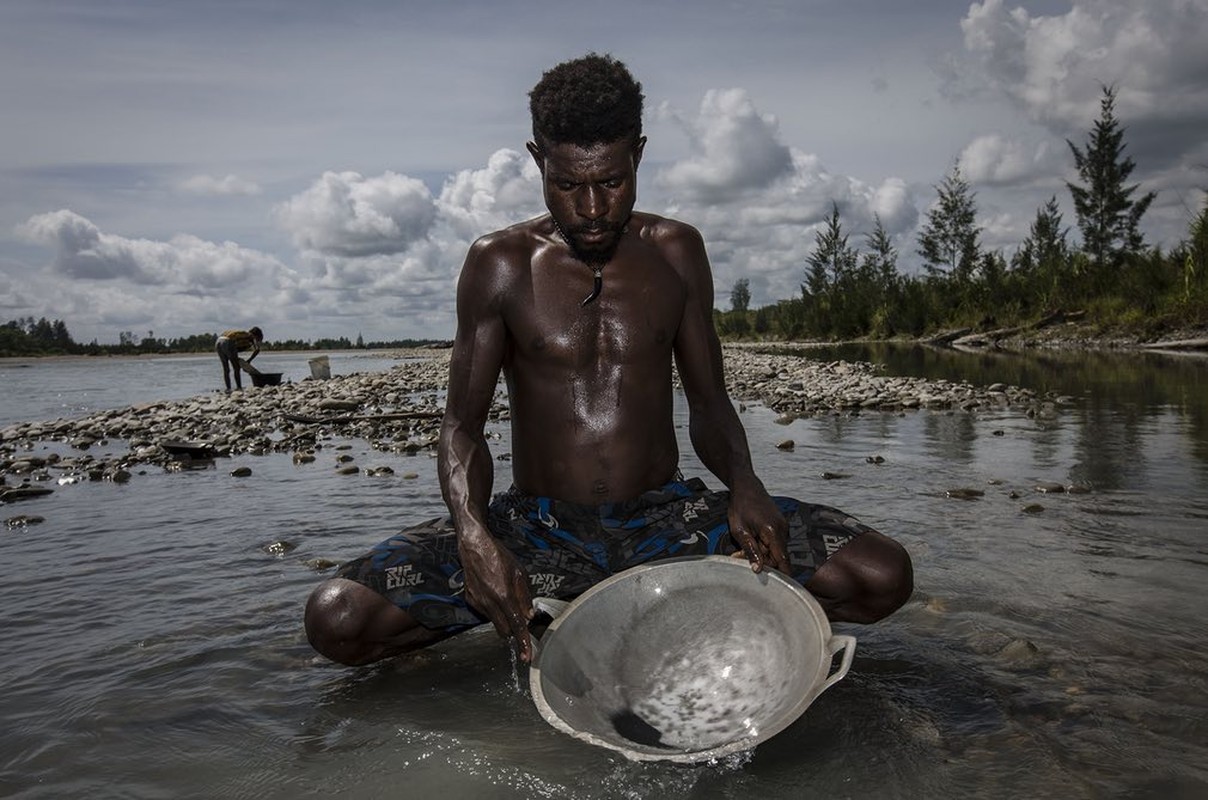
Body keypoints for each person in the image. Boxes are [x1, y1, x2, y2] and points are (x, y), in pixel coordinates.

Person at [305, 53, 912, 667]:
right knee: (339, 619)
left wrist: (745, 486)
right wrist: (473, 536)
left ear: (638, 155)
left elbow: (709, 404)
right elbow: (461, 428)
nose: (592, 208)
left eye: (612, 182)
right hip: (538, 527)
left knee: (880, 575)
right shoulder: (500, 263)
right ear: (539, 159)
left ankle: (679, 612)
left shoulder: (676, 252)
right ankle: (552, 614)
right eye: (568, 185)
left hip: (664, 521)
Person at [215, 326, 263, 391]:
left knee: (226, 368)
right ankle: (239, 387)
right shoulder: (248, 335)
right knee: (236, 368)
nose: (257, 340)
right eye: (257, 338)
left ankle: (228, 388)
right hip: (228, 341)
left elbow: (237, 348)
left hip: (218, 341)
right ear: (255, 335)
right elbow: (257, 349)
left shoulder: (243, 336)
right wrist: (249, 360)